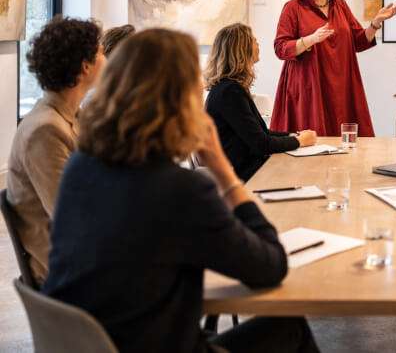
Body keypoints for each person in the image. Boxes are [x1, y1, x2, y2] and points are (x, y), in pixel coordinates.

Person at [43, 29, 319, 353]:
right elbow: (270, 267)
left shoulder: (80, 168)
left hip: (88, 344)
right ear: (179, 102)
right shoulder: (181, 190)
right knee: (290, 327)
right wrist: (224, 172)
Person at [6, 16, 104, 284]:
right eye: (101, 52)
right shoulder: (45, 130)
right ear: (85, 67)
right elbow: (71, 216)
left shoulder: (71, 117)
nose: (106, 58)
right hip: (69, 271)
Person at [271, 0, 396, 137]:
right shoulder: (293, 7)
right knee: (311, 143)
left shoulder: (340, 5)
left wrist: (376, 22)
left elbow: (358, 41)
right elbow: (281, 48)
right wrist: (310, 39)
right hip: (309, 84)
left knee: (347, 142)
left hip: (342, 83)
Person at [205, 23, 317, 181]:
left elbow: (261, 133)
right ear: (241, 49)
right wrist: (299, 141)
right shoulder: (230, 92)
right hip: (244, 175)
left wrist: (293, 135)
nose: (258, 45)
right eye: (254, 41)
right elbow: (261, 144)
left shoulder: (230, 88)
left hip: (247, 167)